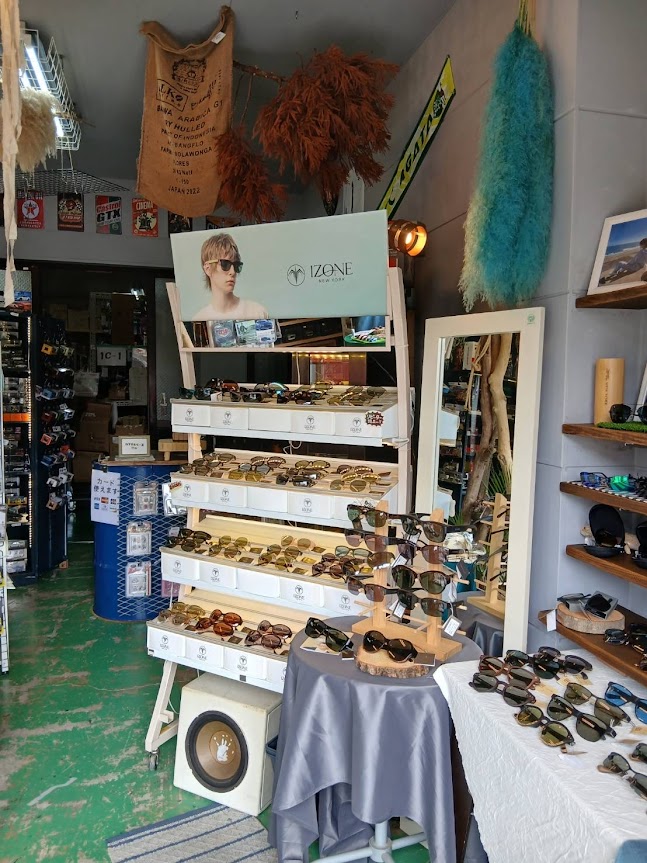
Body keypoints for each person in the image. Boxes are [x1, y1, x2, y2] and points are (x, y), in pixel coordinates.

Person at [191, 233, 268, 320]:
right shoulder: (199, 319)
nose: (233, 272)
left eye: (236, 265)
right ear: (208, 269)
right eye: (225, 264)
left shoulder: (257, 313)